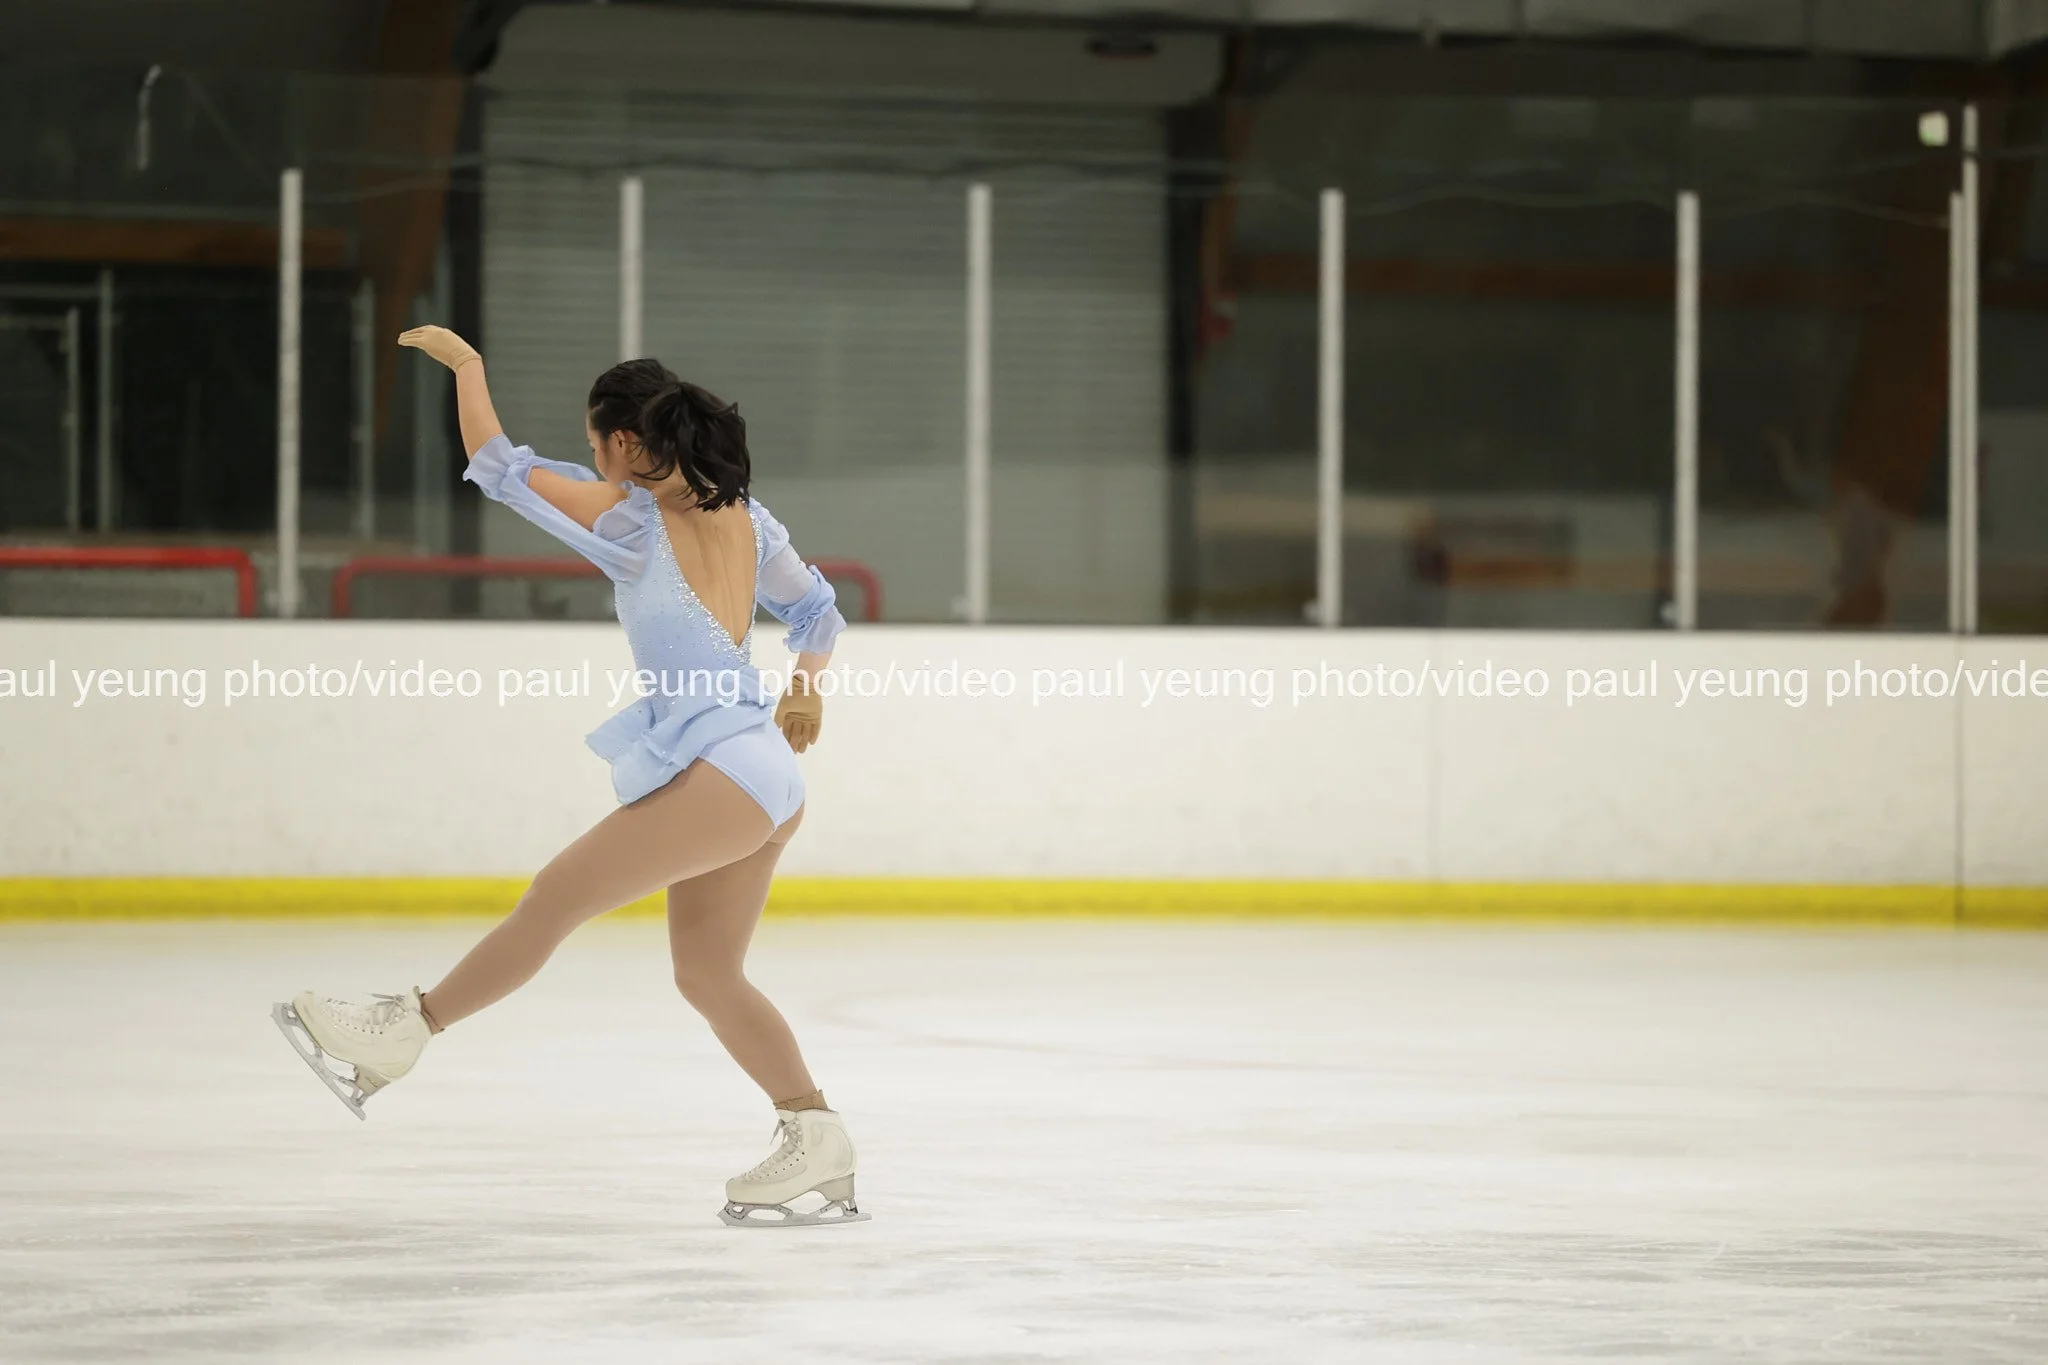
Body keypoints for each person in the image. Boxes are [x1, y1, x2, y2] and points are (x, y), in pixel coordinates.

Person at [272, 325, 863, 1229]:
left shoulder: (630, 521)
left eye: (594, 447)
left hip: (726, 770)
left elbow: (497, 465)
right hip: (764, 772)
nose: (593, 463)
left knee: (553, 899)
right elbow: (818, 609)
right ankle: (815, 1133)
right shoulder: (750, 517)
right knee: (708, 974)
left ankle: (404, 1031)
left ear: (625, 442)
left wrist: (469, 369)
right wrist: (807, 689)